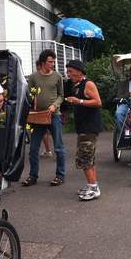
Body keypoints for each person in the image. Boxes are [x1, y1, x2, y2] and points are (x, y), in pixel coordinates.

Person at [22, 49, 66, 186]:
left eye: (53, 62)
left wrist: (54, 106)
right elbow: (29, 95)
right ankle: (33, 176)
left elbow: (61, 95)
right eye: (50, 62)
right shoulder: (34, 77)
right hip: (37, 117)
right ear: (42, 62)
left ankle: (60, 175)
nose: (53, 64)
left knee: (58, 147)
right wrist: (31, 106)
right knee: (33, 149)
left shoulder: (57, 76)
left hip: (54, 116)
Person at [64, 60, 104, 201]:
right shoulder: (76, 85)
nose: (68, 74)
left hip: (89, 127)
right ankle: (92, 185)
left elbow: (98, 102)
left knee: (85, 158)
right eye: (67, 71)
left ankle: (94, 188)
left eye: (71, 71)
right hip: (82, 127)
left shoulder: (88, 84)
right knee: (88, 158)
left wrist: (79, 101)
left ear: (79, 71)